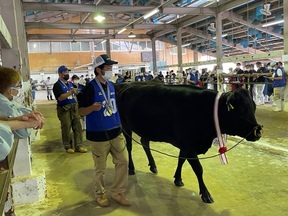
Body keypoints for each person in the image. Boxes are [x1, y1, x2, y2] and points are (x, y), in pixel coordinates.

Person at [78, 54, 131, 207]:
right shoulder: (89, 88)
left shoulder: (112, 85)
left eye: (111, 68)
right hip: (98, 136)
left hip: (116, 132)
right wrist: (91, 108)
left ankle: (118, 192)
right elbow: (81, 112)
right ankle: (100, 194)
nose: (110, 70)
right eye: (107, 68)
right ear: (98, 70)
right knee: (100, 168)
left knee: (122, 162)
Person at [0, 66, 45, 139]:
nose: (19, 89)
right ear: (10, 90)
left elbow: (25, 110)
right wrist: (26, 123)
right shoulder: (3, 104)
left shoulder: (9, 100)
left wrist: (31, 116)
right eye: (18, 86)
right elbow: (23, 132)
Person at [52, 65, 87, 154]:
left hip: (74, 108)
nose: (67, 74)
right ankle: (68, 146)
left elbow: (75, 94)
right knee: (66, 127)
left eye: (68, 72)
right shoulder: (57, 85)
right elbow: (60, 97)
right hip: (64, 109)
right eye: (65, 72)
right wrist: (70, 92)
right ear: (60, 74)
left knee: (77, 127)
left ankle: (79, 145)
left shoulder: (70, 84)